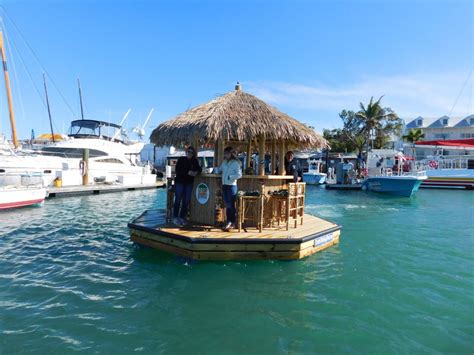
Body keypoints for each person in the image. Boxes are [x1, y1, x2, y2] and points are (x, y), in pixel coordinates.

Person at [173, 146, 202, 226]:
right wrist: (188, 172)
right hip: (180, 182)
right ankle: (175, 217)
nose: (189, 153)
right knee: (178, 199)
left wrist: (196, 172)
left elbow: (199, 169)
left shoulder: (194, 161)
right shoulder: (181, 159)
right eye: (188, 151)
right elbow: (177, 170)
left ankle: (182, 217)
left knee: (186, 201)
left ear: (193, 154)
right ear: (186, 152)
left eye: (191, 152)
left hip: (189, 183)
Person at [216, 146, 242, 230]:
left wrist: (230, 177)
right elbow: (220, 170)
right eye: (225, 153)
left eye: (227, 153)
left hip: (232, 186)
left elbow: (239, 175)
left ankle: (232, 222)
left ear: (231, 153)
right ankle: (229, 221)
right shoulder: (224, 162)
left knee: (231, 205)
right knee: (227, 205)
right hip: (224, 185)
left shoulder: (236, 163)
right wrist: (215, 170)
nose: (226, 155)